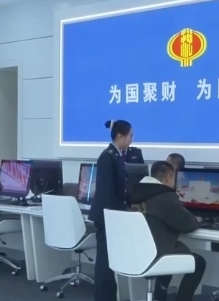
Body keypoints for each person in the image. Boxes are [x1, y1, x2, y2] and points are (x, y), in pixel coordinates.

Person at [131, 161, 206, 301]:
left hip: (133, 254)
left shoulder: (133, 193)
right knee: (198, 262)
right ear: (168, 178)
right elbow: (188, 225)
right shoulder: (165, 196)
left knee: (169, 252)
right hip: (156, 254)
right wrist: (197, 220)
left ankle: (159, 297)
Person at [88, 119, 134, 301]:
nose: (131, 140)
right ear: (120, 136)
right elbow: (107, 192)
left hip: (111, 216)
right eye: (130, 136)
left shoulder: (115, 155)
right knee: (105, 263)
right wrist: (115, 218)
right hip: (107, 217)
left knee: (108, 262)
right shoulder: (107, 157)